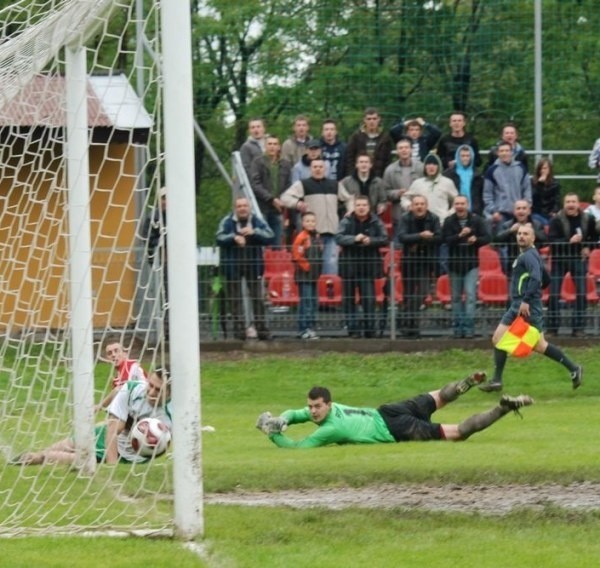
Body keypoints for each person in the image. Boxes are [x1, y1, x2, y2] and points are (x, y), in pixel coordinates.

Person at [255, 372, 534, 448]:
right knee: (438, 397)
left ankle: (504, 408)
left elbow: (298, 448)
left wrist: (274, 434)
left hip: (394, 427)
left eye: (317, 407)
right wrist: (282, 419)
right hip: (386, 411)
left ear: (328, 404)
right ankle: (466, 383)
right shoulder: (331, 410)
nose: (313, 412)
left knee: (458, 433)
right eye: (311, 407)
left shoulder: (331, 428)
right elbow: (295, 413)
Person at [478, 224, 583, 393]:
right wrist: (531, 295)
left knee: (525, 343)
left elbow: (536, 277)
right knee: (507, 340)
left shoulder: (528, 256)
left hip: (526, 308)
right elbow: (545, 279)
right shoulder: (530, 255)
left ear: (533, 238)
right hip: (519, 306)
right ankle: (497, 380)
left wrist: (527, 299)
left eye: (526, 234)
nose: (521, 236)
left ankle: (574, 368)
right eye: (519, 234)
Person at [11, 369, 172, 465]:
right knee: (73, 441)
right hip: (111, 435)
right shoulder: (132, 389)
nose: (151, 392)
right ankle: (34, 455)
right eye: (150, 385)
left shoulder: (171, 416)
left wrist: (113, 465)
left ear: (171, 392)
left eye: (158, 390)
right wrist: (101, 406)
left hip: (131, 455)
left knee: (83, 458)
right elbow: (113, 428)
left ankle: (38, 458)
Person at [281, 158, 354, 275]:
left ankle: (328, 292)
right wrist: (297, 203)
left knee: (331, 266)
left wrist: (351, 209)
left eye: (320, 167)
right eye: (315, 167)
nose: (318, 169)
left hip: (332, 232)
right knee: (312, 267)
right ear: (310, 169)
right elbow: (285, 198)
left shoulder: (335, 184)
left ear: (325, 169)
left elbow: (349, 198)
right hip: (312, 235)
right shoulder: (303, 184)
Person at [216, 196, 274, 340]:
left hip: (253, 265)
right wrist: (233, 238)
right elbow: (219, 237)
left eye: (245, 206)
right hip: (232, 266)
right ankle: (239, 331)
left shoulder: (256, 221)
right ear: (235, 208)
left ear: (249, 208)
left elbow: (270, 235)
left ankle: (262, 330)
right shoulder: (227, 221)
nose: (242, 208)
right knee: (235, 299)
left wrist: (254, 232)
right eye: (239, 206)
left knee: (258, 298)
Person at [336, 195, 389, 338]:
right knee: (348, 300)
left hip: (368, 267)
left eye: (364, 205)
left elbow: (384, 238)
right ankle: (353, 330)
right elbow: (338, 237)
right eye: (358, 205)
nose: (361, 208)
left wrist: (371, 241)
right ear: (354, 206)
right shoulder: (346, 220)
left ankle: (370, 330)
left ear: (369, 207)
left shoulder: (376, 221)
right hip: (349, 266)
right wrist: (354, 239)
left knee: (368, 299)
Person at [547, 193, 597, 337]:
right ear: (564, 204)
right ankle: (552, 329)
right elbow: (552, 240)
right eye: (568, 202)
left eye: (573, 202)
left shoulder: (588, 219)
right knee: (554, 294)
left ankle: (578, 329)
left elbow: (594, 237)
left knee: (581, 293)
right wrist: (569, 240)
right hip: (559, 259)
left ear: (578, 203)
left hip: (578, 259)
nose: (570, 204)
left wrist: (588, 246)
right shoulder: (556, 219)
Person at [442, 195, 491, 338]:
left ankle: (469, 329)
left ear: (467, 204)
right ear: (454, 206)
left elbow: (487, 237)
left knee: (470, 296)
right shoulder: (449, 221)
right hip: (454, 265)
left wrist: (476, 240)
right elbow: (444, 240)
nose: (460, 206)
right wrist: (459, 236)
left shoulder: (476, 220)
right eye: (457, 204)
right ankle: (458, 329)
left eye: (462, 203)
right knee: (456, 298)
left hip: (471, 264)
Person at [396, 195, 441, 337]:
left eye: (422, 204)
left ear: (426, 206)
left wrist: (420, 241)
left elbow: (439, 237)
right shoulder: (405, 218)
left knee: (422, 292)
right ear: (412, 206)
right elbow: (402, 237)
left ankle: (402, 317)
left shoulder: (434, 218)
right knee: (408, 295)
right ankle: (411, 328)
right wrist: (421, 236)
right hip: (409, 261)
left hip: (426, 262)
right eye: (416, 204)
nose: (419, 206)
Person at [250, 134, 292, 248]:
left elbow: (289, 185)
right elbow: (255, 184)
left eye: (275, 144)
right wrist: (272, 199)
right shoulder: (257, 162)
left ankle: (275, 265)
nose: (272, 147)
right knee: (261, 242)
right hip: (262, 207)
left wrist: (281, 200)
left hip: (278, 209)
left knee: (277, 243)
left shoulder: (286, 164)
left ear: (279, 146)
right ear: (265, 146)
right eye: (269, 144)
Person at [483, 141, 531, 229]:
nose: (504, 153)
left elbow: (527, 189)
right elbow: (487, 195)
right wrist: (494, 211)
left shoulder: (521, 168)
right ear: (498, 153)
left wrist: (527, 207)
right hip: (501, 214)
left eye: (507, 151)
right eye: (502, 151)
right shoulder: (491, 170)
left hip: (520, 213)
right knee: (502, 240)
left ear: (512, 152)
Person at [493, 199, 547, 277]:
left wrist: (533, 231)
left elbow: (545, 240)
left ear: (529, 211)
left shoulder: (537, 224)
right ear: (514, 212)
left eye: (524, 208)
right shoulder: (507, 225)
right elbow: (495, 241)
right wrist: (510, 230)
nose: (521, 211)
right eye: (518, 208)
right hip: (513, 267)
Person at [402, 153, 458, 224]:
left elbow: (457, 201)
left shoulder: (447, 182)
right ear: (425, 167)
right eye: (428, 164)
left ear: (439, 166)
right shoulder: (417, 183)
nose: (431, 167)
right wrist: (409, 206)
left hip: (442, 223)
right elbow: (405, 198)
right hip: (421, 224)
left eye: (434, 164)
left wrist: (448, 215)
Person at [292, 212, 323, 340]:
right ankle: (303, 328)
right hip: (304, 275)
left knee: (312, 302)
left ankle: (310, 326)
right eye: (307, 221)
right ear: (303, 223)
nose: (310, 223)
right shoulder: (302, 237)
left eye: (312, 221)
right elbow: (297, 255)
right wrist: (307, 266)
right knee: (306, 302)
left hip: (313, 276)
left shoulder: (316, 236)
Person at [382, 137, 424, 231]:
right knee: (399, 244)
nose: (404, 150)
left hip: (420, 215)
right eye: (400, 148)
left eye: (406, 147)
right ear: (397, 151)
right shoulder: (390, 170)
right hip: (398, 215)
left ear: (411, 150)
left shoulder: (421, 167)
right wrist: (397, 193)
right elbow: (384, 192)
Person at [97, 340, 147, 412]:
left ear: (125, 353)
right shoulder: (116, 379)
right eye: (109, 353)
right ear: (107, 358)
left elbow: (119, 389)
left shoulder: (130, 366)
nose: (113, 355)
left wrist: (100, 406)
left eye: (116, 351)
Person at [345, 107, 394, 177]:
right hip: (359, 176)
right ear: (364, 120)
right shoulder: (356, 137)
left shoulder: (385, 138)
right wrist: (352, 175)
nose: (372, 121)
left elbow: (388, 160)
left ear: (379, 119)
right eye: (369, 119)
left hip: (379, 176)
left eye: (374, 119)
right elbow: (350, 159)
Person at [443, 144, 484, 215]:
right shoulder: (448, 174)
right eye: (462, 156)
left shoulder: (478, 174)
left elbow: (481, 195)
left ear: (471, 157)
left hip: (474, 212)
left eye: (467, 156)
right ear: (458, 157)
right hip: (454, 212)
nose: (465, 158)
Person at [531, 158, 561, 227]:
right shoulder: (533, 182)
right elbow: (533, 198)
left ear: (549, 169)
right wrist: (539, 184)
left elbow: (557, 199)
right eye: (541, 169)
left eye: (545, 168)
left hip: (550, 213)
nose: (543, 171)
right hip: (536, 212)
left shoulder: (555, 183)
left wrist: (555, 211)